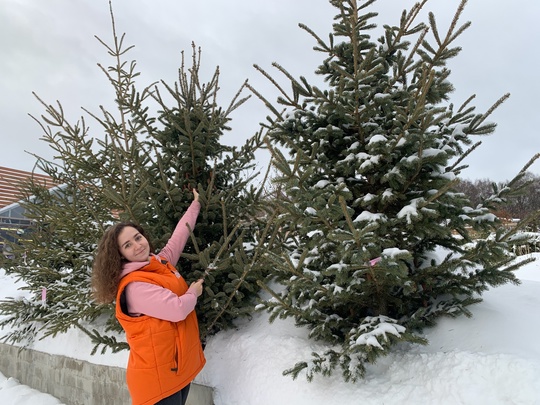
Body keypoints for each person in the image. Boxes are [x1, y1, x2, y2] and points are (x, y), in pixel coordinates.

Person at [92, 189, 205, 405]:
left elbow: (178, 238)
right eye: (128, 245)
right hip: (157, 383)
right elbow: (178, 309)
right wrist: (193, 292)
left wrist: (196, 205)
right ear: (120, 255)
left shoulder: (157, 263)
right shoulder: (134, 286)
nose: (137, 245)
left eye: (138, 237)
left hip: (175, 370)